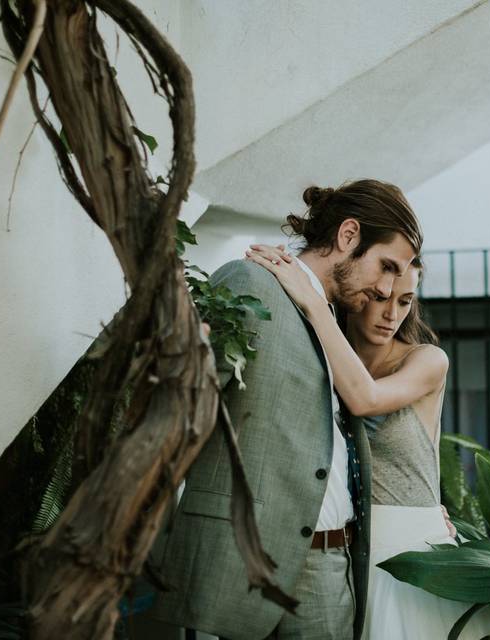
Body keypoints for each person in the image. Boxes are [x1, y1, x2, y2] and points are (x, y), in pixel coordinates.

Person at [144, 180, 422, 640]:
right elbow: (177, 406)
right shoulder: (249, 282)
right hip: (242, 559)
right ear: (348, 236)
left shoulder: (339, 324)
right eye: (386, 266)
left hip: (331, 566)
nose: (387, 289)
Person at [243, 243, 490, 639]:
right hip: (344, 553)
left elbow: (367, 399)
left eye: (405, 301)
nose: (392, 315)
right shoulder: (320, 361)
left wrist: (311, 300)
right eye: (381, 298)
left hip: (416, 554)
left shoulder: (427, 360)